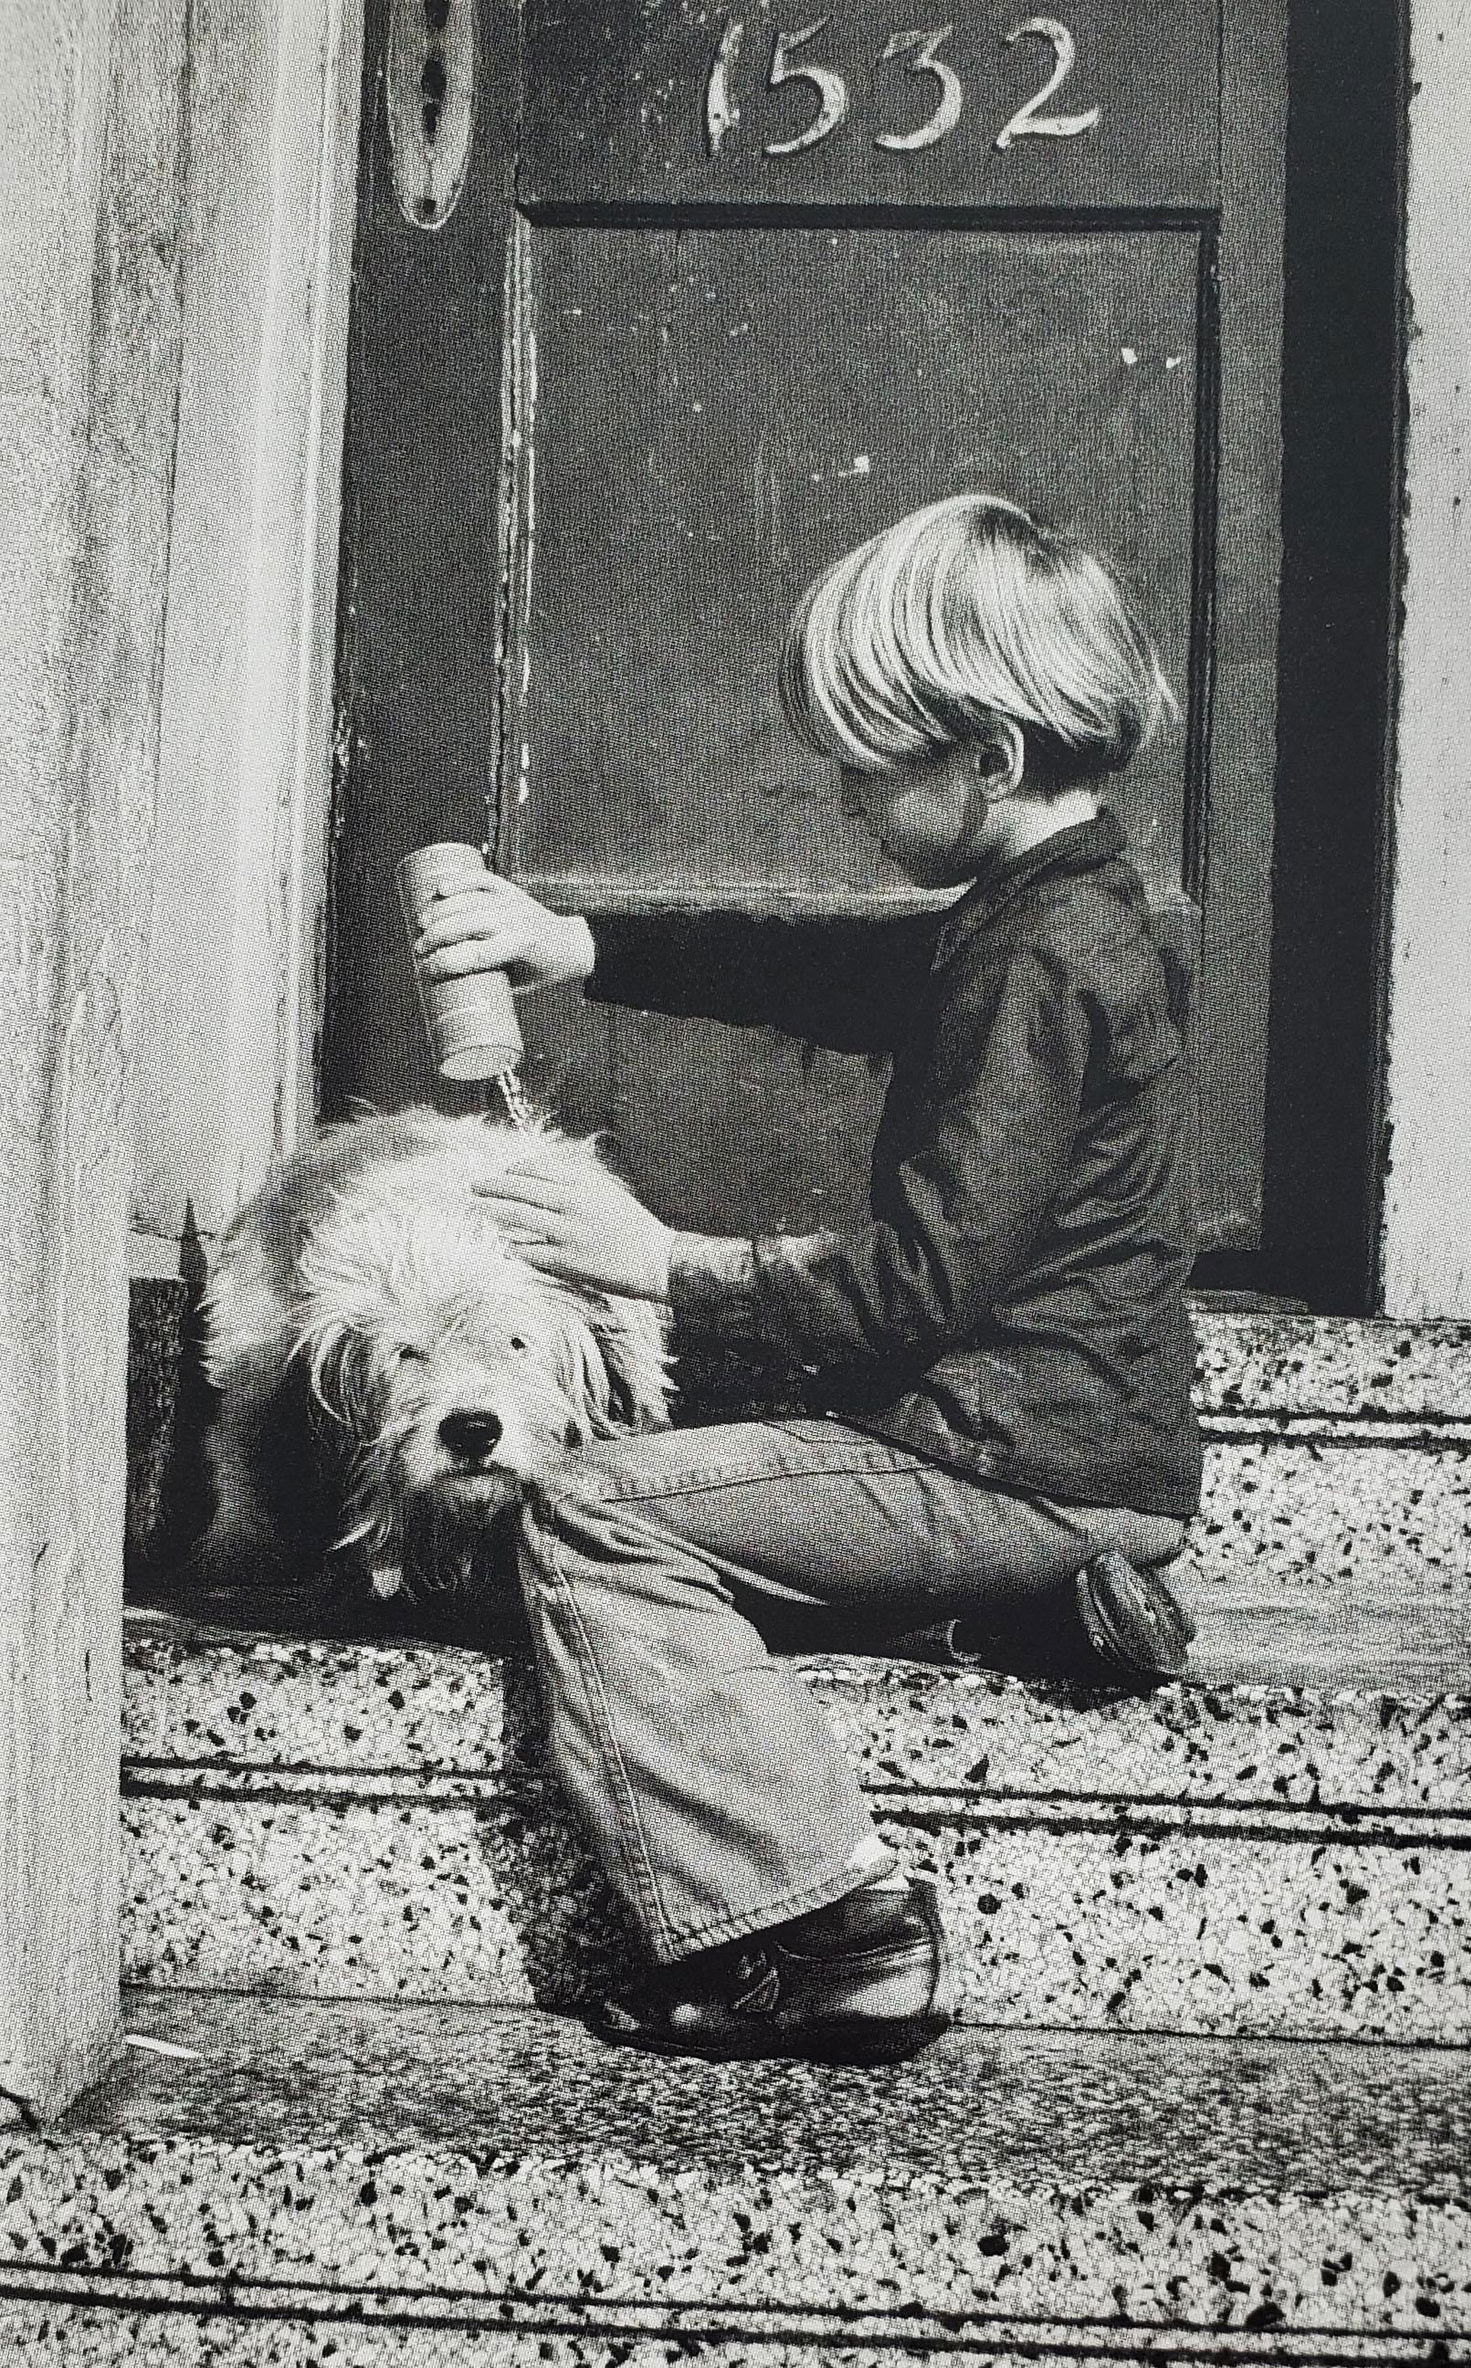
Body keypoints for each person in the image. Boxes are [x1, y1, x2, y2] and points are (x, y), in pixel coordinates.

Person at [412, 492, 1201, 2066]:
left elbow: (912, 1285)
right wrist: (582, 944)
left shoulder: (1039, 960)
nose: (843, 793)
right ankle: (1014, 1611)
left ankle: (833, 1928)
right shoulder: (1071, 909)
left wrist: (659, 1261)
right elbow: (832, 964)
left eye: (868, 763)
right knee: (727, 1449)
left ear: (990, 757)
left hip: (1010, 1461)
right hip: (1064, 1457)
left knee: (597, 1509)